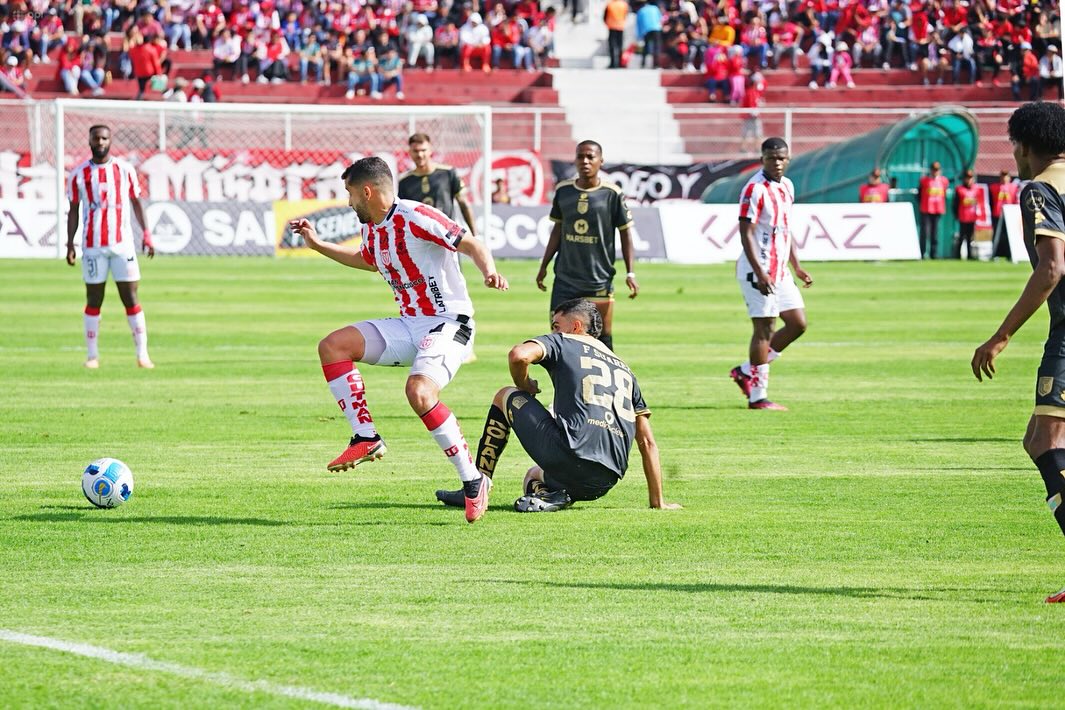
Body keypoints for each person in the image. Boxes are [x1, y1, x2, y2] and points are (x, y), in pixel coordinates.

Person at [288, 157, 508, 524]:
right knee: (333, 346)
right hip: (409, 325)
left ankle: (473, 481)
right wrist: (316, 244)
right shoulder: (373, 228)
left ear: (367, 190)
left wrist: (490, 272)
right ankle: (365, 437)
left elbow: (470, 242)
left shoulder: (417, 215)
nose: (348, 202)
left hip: (448, 322)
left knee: (420, 392)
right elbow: (367, 260)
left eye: (350, 194)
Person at [434, 298, 681, 513]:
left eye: (555, 326)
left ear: (575, 326)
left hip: (571, 456)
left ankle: (478, 486)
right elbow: (647, 442)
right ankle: (550, 497)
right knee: (533, 476)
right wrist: (657, 501)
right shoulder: (625, 369)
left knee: (505, 395)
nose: (552, 332)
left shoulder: (564, 342)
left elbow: (518, 355)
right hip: (604, 480)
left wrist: (525, 384)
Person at [971, 101, 1065, 603]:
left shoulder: (1041, 188)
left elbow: (1051, 268)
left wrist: (1001, 335)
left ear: (1025, 146)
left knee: (1046, 443)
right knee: (1038, 438)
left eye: (1014, 145)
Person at [728, 137, 813, 411]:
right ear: (763, 158)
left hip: (781, 271)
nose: (777, 162)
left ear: (788, 159)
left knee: (798, 323)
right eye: (771, 158)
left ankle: (745, 370)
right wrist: (759, 271)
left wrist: (796, 265)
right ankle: (758, 397)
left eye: (781, 158)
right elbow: (747, 233)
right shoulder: (754, 189)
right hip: (759, 271)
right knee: (764, 329)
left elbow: (785, 230)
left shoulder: (787, 186)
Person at [65, 125, 155, 370]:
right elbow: (73, 210)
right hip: (92, 246)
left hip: (122, 245)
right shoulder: (78, 174)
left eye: (105, 138)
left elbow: (137, 202)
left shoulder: (125, 170)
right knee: (94, 298)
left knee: (131, 296)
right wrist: (70, 242)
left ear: (110, 141)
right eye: (96, 138)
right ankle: (92, 356)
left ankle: (142, 354)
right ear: (89, 141)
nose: (101, 142)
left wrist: (146, 234)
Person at [536, 140, 636, 351]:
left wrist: (630, 273)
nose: (585, 161)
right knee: (559, 335)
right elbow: (557, 230)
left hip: (598, 279)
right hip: (565, 278)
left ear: (601, 161)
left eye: (590, 157)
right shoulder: (564, 191)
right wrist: (544, 265)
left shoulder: (612, 194)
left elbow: (625, 233)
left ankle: (610, 383)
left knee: (603, 338)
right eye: (580, 156)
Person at [918, 161, 949, 259]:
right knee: (924, 233)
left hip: (938, 209)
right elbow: (919, 194)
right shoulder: (924, 181)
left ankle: (933, 254)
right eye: (934, 170)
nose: (935, 172)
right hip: (926, 209)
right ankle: (922, 253)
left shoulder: (943, 181)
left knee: (935, 233)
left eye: (937, 170)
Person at [991, 169, 1020, 258]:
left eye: (1006, 176)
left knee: (1009, 235)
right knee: (997, 234)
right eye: (1003, 176)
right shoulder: (994, 187)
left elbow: (1016, 201)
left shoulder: (1014, 187)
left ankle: (1009, 254)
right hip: (997, 213)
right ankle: (996, 253)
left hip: (1009, 214)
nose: (1004, 178)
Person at [953, 169, 980, 259]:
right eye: (967, 178)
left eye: (970, 178)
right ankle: (957, 255)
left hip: (972, 217)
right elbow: (955, 204)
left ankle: (969, 255)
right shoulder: (960, 189)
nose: (968, 180)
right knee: (961, 237)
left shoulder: (976, 189)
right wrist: (956, 215)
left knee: (970, 238)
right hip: (963, 217)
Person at [604, 0, 628, 69]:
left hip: (612, 27)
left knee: (612, 46)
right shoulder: (624, 4)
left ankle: (613, 63)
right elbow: (625, 15)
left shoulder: (610, 5)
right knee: (620, 46)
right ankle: (620, 63)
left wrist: (608, 23)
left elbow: (604, 17)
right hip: (621, 26)